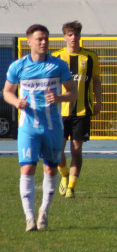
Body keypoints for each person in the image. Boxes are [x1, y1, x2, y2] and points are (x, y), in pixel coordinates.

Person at [3, 25, 77, 232]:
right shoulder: (18, 66)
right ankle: (29, 218)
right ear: (29, 42)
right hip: (28, 127)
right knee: (27, 168)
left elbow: (74, 93)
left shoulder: (58, 66)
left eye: (46, 39)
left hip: (53, 126)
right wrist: (17, 102)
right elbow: (7, 92)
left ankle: (44, 211)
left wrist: (60, 97)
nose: (44, 42)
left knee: (50, 168)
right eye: (39, 39)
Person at [54, 20, 102, 199]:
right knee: (57, 150)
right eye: (70, 35)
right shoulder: (56, 58)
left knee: (76, 150)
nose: (73, 38)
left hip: (82, 111)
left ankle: (71, 188)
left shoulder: (90, 57)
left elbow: (96, 81)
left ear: (80, 36)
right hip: (60, 112)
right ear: (65, 37)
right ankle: (65, 176)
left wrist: (99, 101)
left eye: (76, 34)